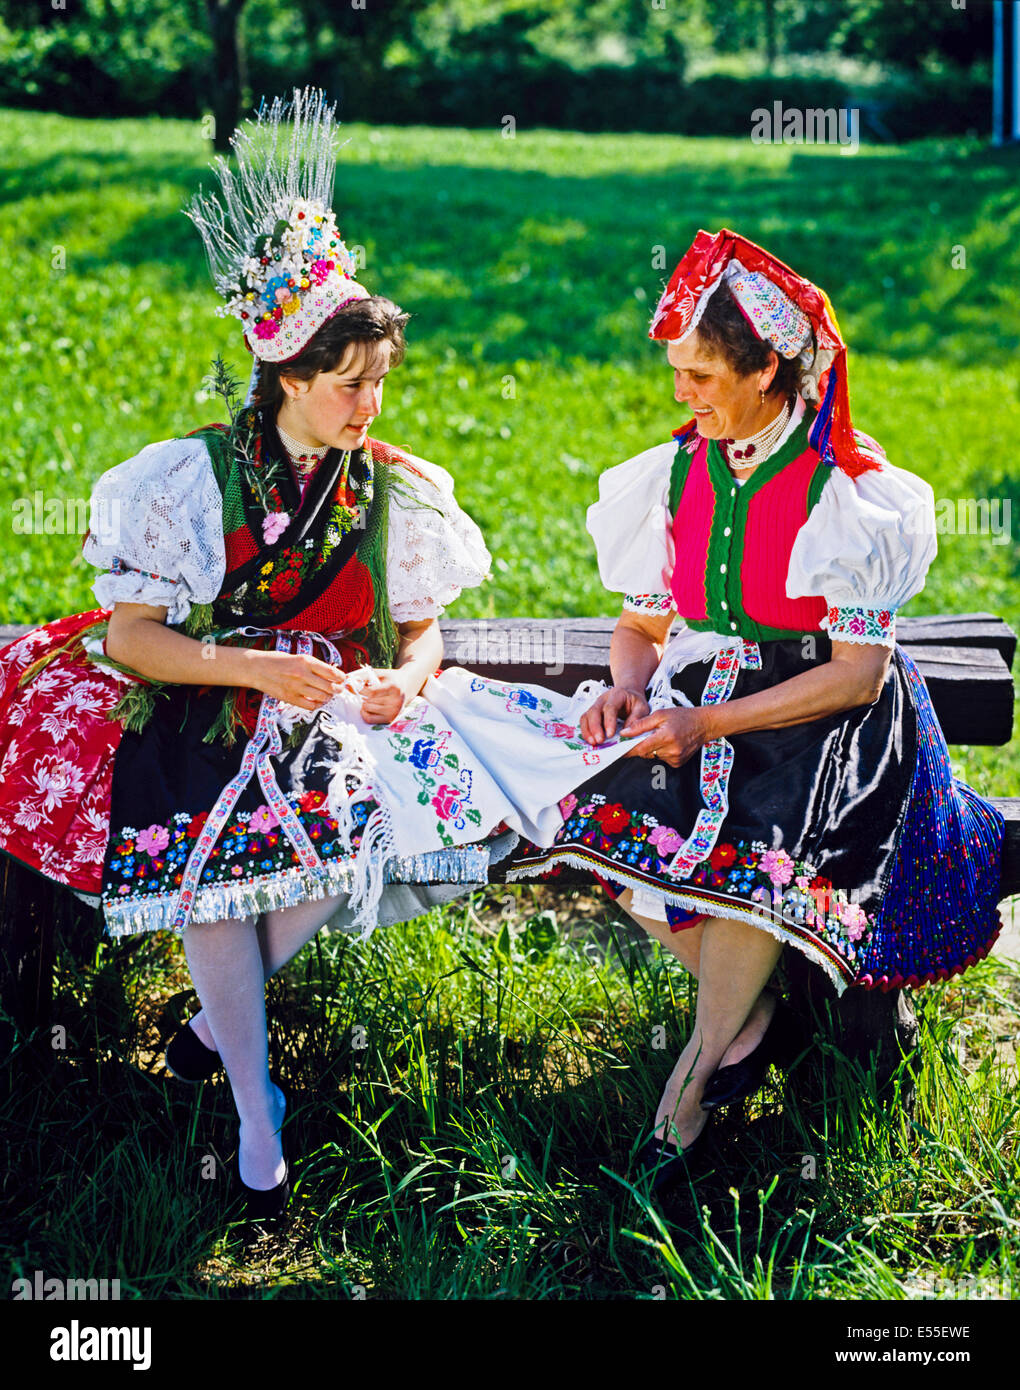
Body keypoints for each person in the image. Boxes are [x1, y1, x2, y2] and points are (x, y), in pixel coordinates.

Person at [0, 90, 509, 1218]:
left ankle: (212, 1029)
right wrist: (253, 671)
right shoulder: (187, 481)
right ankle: (252, 1100)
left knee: (360, 820)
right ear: (286, 375)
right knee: (212, 854)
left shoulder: (396, 486)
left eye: (381, 380)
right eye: (350, 383)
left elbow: (423, 625)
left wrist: (405, 678)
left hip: (332, 699)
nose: (371, 403)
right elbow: (137, 638)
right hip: (205, 687)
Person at [504, 228, 1005, 1188]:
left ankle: (684, 1096)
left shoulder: (847, 492)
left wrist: (711, 726)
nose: (682, 394)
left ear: (767, 365)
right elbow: (643, 622)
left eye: (699, 374)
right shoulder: (679, 471)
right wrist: (627, 685)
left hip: (828, 722)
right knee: (569, 805)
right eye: (677, 373)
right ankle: (754, 1019)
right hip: (706, 697)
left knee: (756, 844)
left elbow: (860, 674)